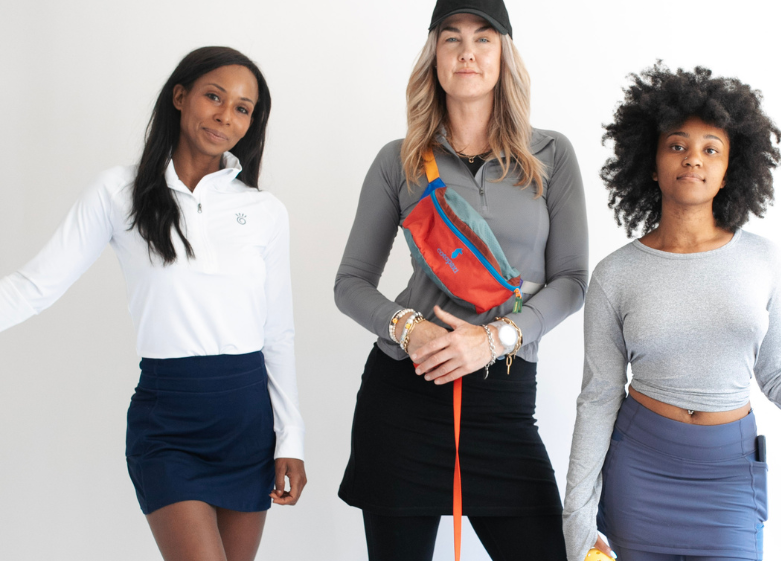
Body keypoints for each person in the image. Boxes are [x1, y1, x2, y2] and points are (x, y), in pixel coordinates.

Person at [561, 65, 781, 561]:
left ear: (728, 170)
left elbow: (778, 373)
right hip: (639, 469)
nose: (693, 159)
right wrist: (577, 517)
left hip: (728, 473)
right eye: (677, 145)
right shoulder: (616, 274)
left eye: (710, 149)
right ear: (652, 164)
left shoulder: (764, 261)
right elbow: (597, 398)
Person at [0, 46, 306, 561]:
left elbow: (277, 332)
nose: (224, 116)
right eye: (214, 96)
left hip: (248, 423)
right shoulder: (118, 192)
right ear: (180, 96)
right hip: (170, 424)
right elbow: (35, 287)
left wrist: (291, 438)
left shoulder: (263, 211)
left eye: (242, 108)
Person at [334, 1, 588, 558]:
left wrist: (496, 338)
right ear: (434, 56)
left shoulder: (550, 155)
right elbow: (350, 282)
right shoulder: (398, 161)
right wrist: (408, 329)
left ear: (505, 55)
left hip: (503, 399)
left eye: (483, 38)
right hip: (405, 397)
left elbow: (571, 280)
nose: (467, 52)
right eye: (451, 39)